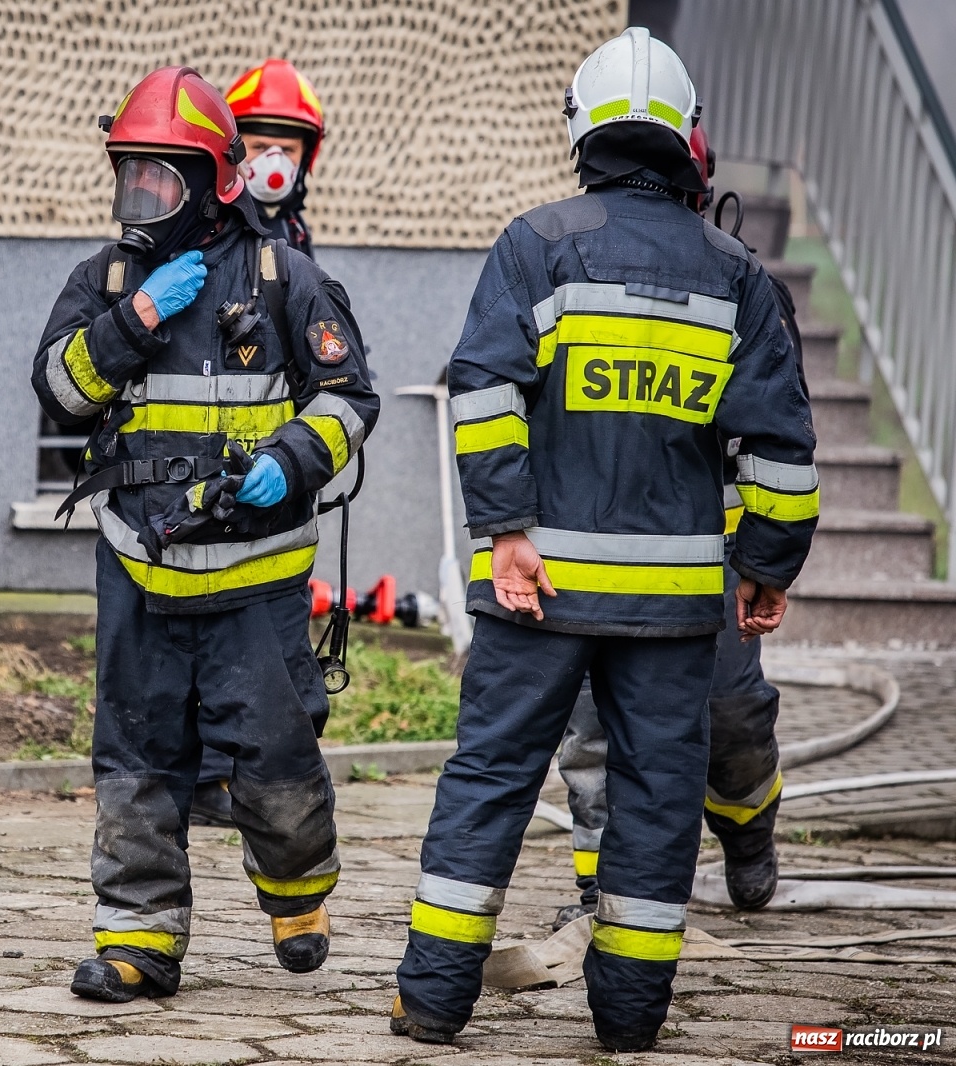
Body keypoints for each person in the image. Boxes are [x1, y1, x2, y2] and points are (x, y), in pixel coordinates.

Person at [390, 28, 817, 1052]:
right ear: (685, 139)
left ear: (581, 130)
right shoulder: (736, 276)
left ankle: (434, 1002)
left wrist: (503, 531)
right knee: (658, 799)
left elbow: (484, 394)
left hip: (538, 592)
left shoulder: (534, 244)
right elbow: (781, 446)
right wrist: (765, 565)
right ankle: (627, 1020)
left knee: (490, 777)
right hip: (673, 609)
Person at [32, 66, 379, 1003]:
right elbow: (60, 391)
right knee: (137, 759)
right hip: (138, 576)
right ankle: (140, 943)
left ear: (216, 180)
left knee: (274, 759)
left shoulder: (284, 278)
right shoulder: (105, 281)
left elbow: (350, 398)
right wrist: (134, 321)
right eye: (129, 177)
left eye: (161, 179)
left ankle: (299, 895)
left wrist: (295, 459)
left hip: (254, 583)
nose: (140, 199)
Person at [552, 124, 810, 930]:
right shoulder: (567, 269)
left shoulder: (744, 289)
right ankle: (604, 893)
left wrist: (765, 559)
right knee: (593, 730)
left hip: (712, 559)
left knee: (731, 718)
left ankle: (745, 825)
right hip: (595, 554)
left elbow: (779, 435)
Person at [189, 57, 329, 828]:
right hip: (221, 459)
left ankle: (260, 767)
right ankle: (212, 776)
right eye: (261, 143)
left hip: (284, 463)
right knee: (218, 612)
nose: (275, 161)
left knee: (274, 617)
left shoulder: (298, 239)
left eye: (290, 146)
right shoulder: (220, 233)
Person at [225, 58, 324, 259]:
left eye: (287, 150)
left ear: (305, 155)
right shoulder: (209, 230)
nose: (274, 162)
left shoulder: (294, 226)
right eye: (259, 147)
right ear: (232, 148)